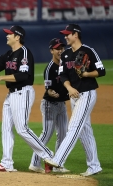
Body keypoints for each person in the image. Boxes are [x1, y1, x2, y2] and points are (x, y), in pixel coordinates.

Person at [0, 25, 54, 172]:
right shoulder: (9, 54)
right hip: (11, 94)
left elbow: (23, 75)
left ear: (17, 37)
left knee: (22, 129)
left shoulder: (24, 53)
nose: (7, 36)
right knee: (6, 128)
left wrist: (0, 77)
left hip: (22, 92)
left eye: (9, 34)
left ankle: (49, 155)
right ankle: (6, 163)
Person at [44, 24, 105, 177]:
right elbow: (63, 76)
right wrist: (69, 88)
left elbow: (101, 71)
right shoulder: (65, 55)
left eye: (68, 34)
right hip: (74, 96)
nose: (65, 37)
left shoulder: (88, 51)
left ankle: (58, 158)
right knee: (85, 130)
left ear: (76, 34)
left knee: (74, 126)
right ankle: (94, 166)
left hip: (87, 94)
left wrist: (86, 74)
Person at [29, 38, 70, 173]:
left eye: (61, 48)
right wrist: (51, 92)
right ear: (51, 50)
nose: (60, 51)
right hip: (49, 104)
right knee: (47, 133)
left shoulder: (65, 66)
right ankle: (35, 163)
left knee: (63, 135)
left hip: (61, 105)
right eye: (57, 48)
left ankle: (58, 163)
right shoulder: (49, 68)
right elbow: (48, 89)